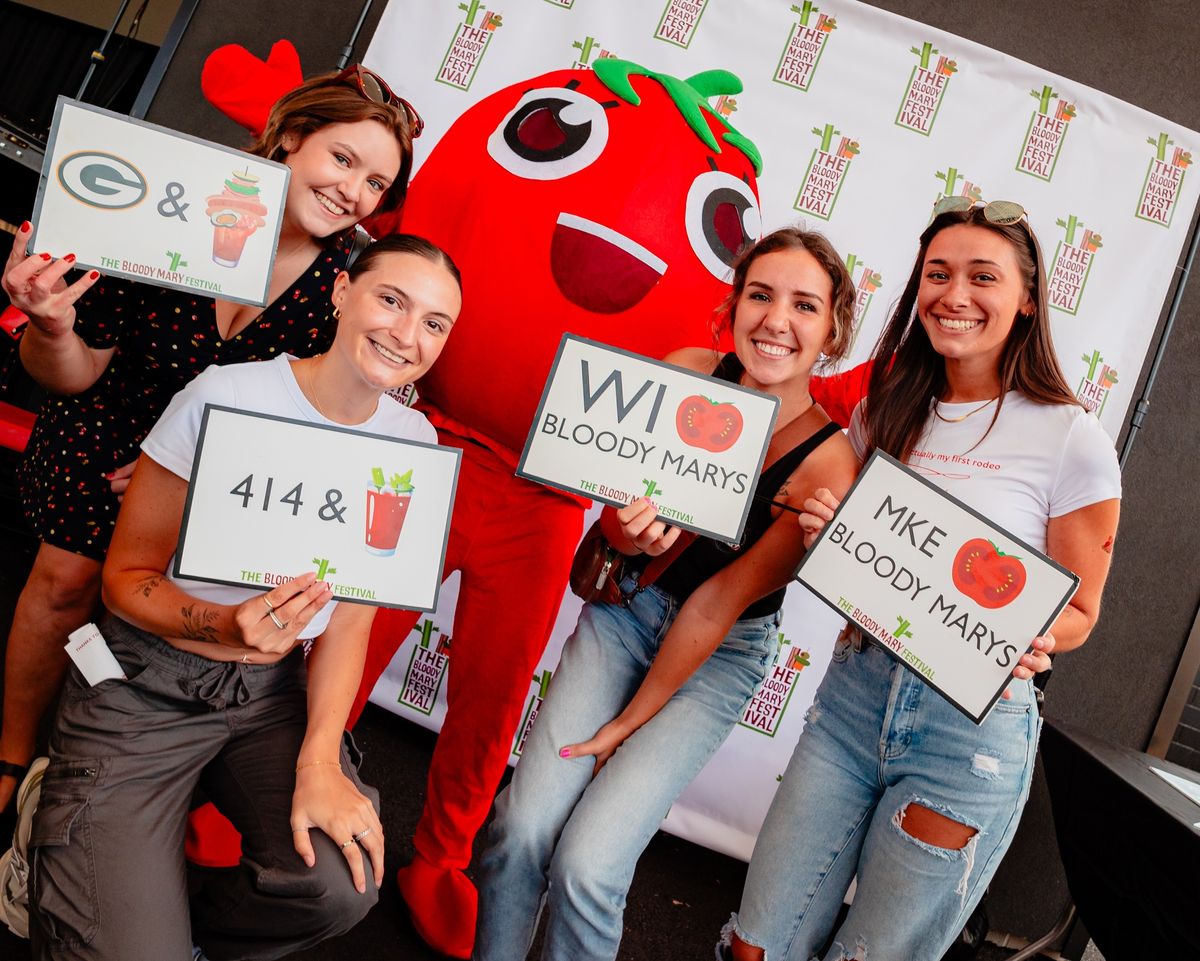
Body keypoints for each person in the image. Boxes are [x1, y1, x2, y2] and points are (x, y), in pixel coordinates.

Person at [27, 234, 462, 961]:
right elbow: (125, 579)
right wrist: (226, 623)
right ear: (341, 292)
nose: (406, 334)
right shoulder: (228, 392)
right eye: (391, 299)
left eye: (434, 323)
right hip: (144, 681)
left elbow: (349, 624)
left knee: (340, 881)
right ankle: (66, 859)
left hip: (269, 696)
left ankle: (170, 931)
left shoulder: (412, 440)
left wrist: (322, 759)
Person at [0, 64, 419, 814]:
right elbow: (71, 371)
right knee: (65, 582)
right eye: (344, 160)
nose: (354, 192)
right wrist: (53, 323)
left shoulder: (347, 290)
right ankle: (9, 756)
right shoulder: (181, 216)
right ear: (291, 138)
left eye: (376, 183)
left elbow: (322, 428)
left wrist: (186, 474)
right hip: (103, 439)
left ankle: (77, 791)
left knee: (148, 635)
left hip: (213, 484)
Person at [722, 202, 1122, 961]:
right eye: (938, 274)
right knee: (756, 945)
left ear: (1028, 298)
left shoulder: (1072, 436)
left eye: (983, 276)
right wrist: (826, 531)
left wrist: (1033, 636)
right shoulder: (886, 410)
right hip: (852, 700)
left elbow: (1082, 612)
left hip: (968, 736)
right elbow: (855, 558)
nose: (954, 294)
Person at [472, 228, 861, 961]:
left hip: (719, 652)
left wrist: (621, 731)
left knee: (589, 864)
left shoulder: (829, 462)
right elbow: (613, 534)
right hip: (627, 615)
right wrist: (627, 532)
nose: (777, 319)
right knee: (521, 827)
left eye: (804, 305)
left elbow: (718, 604)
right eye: (761, 294)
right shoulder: (685, 373)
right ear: (735, 302)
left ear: (832, 329)